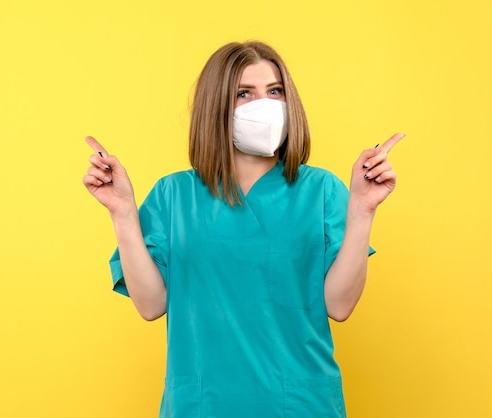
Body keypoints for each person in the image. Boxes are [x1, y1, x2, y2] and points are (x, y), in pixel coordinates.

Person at [83, 41, 404, 418]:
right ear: (216, 106)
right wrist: (122, 212)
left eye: (274, 91)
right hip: (202, 406)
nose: (263, 104)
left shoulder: (321, 191)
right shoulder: (174, 196)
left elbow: (339, 305)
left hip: (300, 406)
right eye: (243, 94)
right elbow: (151, 306)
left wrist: (363, 211)